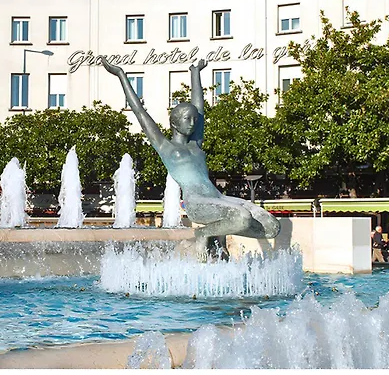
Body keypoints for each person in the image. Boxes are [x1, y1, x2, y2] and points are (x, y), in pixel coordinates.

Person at [102, 58, 280, 261]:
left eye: (195, 119)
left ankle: (217, 233)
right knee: (242, 217)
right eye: (188, 119)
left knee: (272, 227)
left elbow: (199, 107)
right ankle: (204, 233)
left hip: (218, 199)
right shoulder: (165, 146)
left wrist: (195, 73)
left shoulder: (196, 144)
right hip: (196, 203)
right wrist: (121, 75)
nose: (193, 123)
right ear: (174, 122)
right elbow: (139, 112)